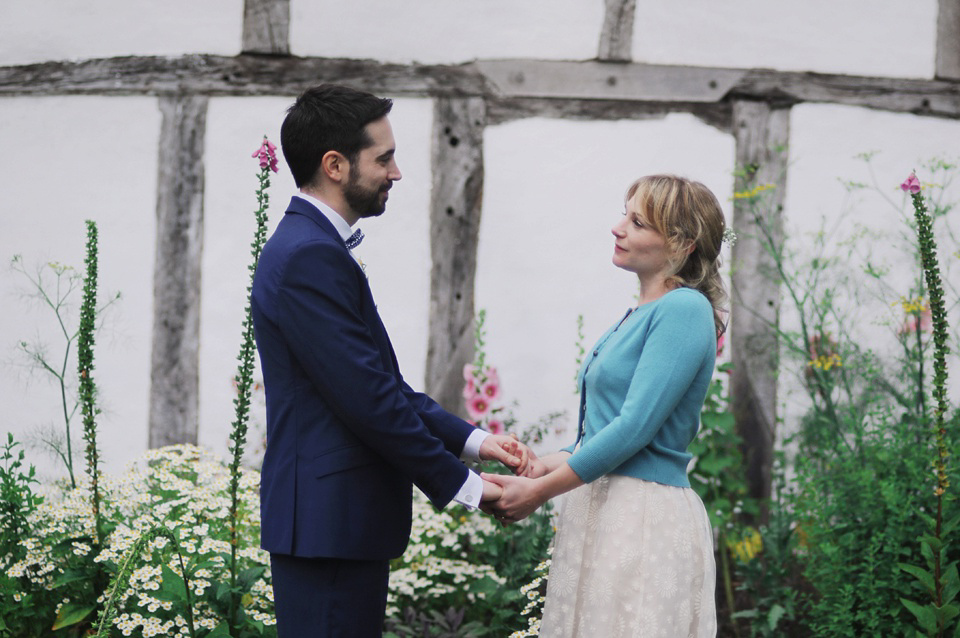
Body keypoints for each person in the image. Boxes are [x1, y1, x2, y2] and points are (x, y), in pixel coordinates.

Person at [251, 84, 528, 638]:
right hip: (328, 526)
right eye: (384, 157)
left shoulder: (312, 247)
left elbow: (380, 385)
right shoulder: (310, 256)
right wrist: (467, 486)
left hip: (335, 525)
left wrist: (473, 441)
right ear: (335, 165)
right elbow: (369, 400)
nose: (396, 172)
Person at [483, 174, 724, 637]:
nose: (617, 228)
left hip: (643, 518)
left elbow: (635, 430)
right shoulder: (641, 314)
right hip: (606, 507)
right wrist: (538, 465)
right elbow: (602, 437)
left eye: (637, 222)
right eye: (624, 214)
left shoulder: (684, 310)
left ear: (682, 244)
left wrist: (541, 492)